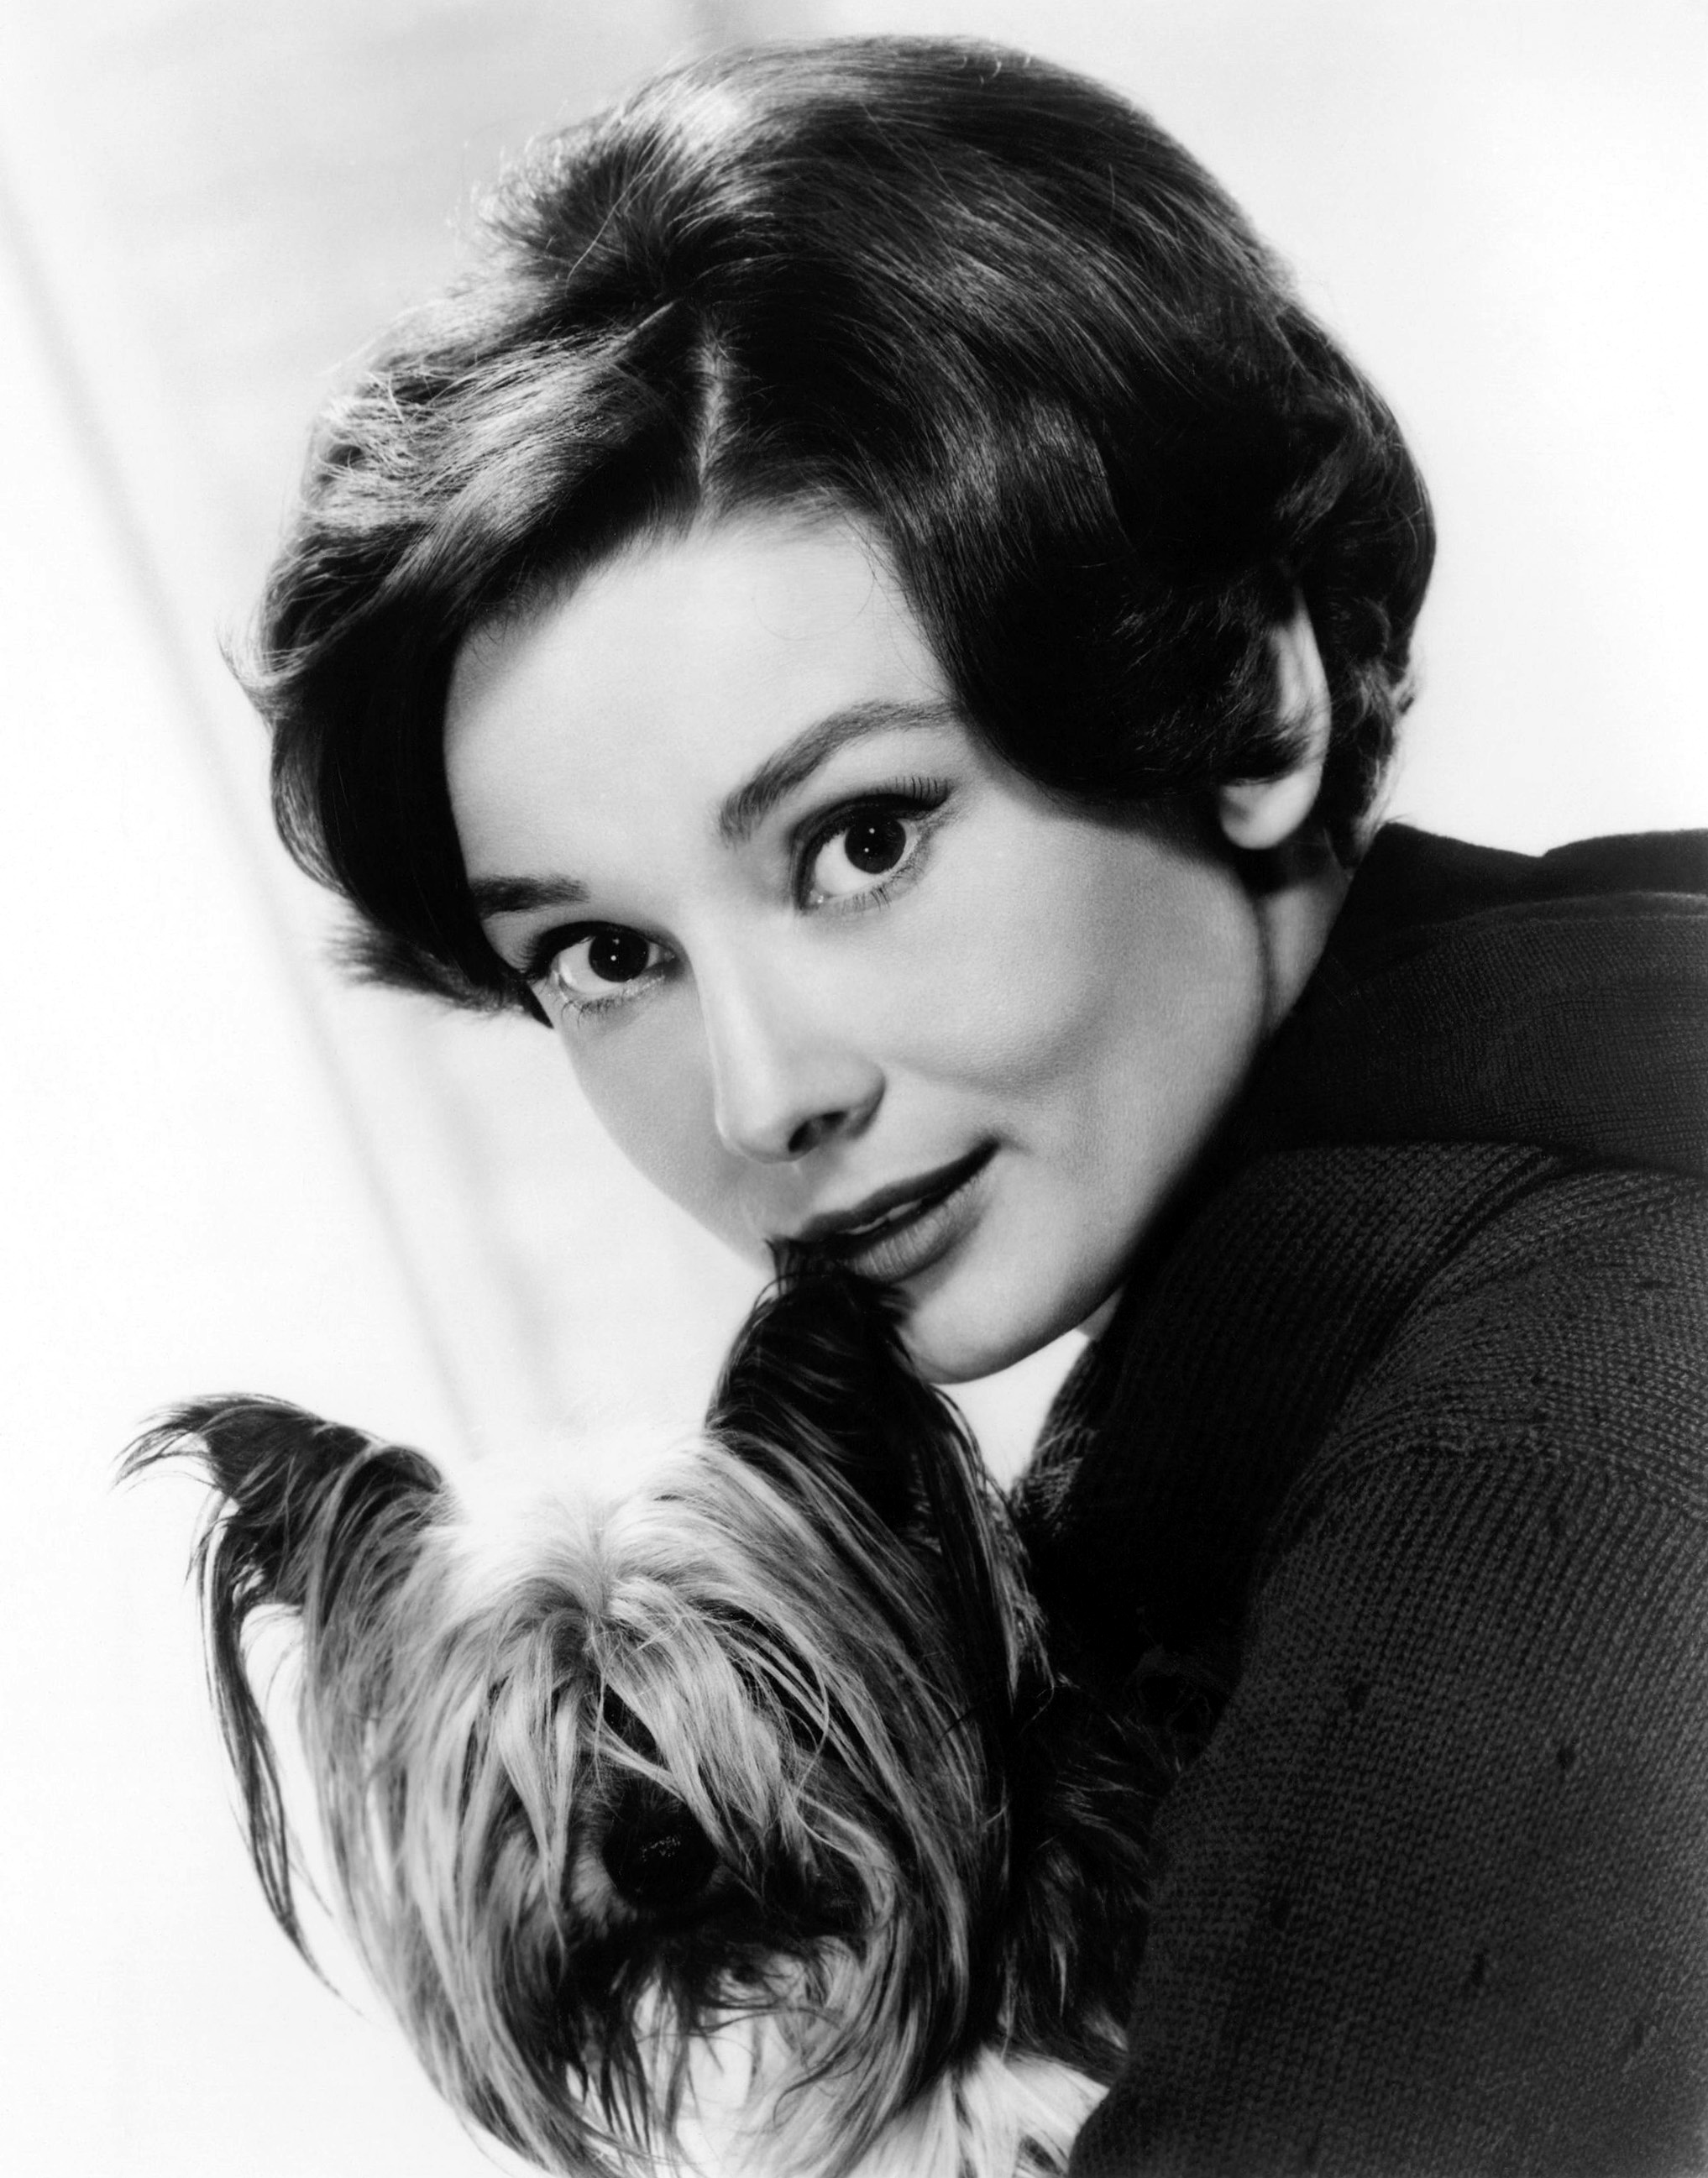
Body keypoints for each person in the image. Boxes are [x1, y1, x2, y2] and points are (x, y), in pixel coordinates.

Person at [243, 36, 1708, 2174]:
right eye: (607, 955)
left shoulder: (1531, 1435)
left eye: (862, 840)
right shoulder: (1268, 1383)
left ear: (1256, 695)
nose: (763, 1093)